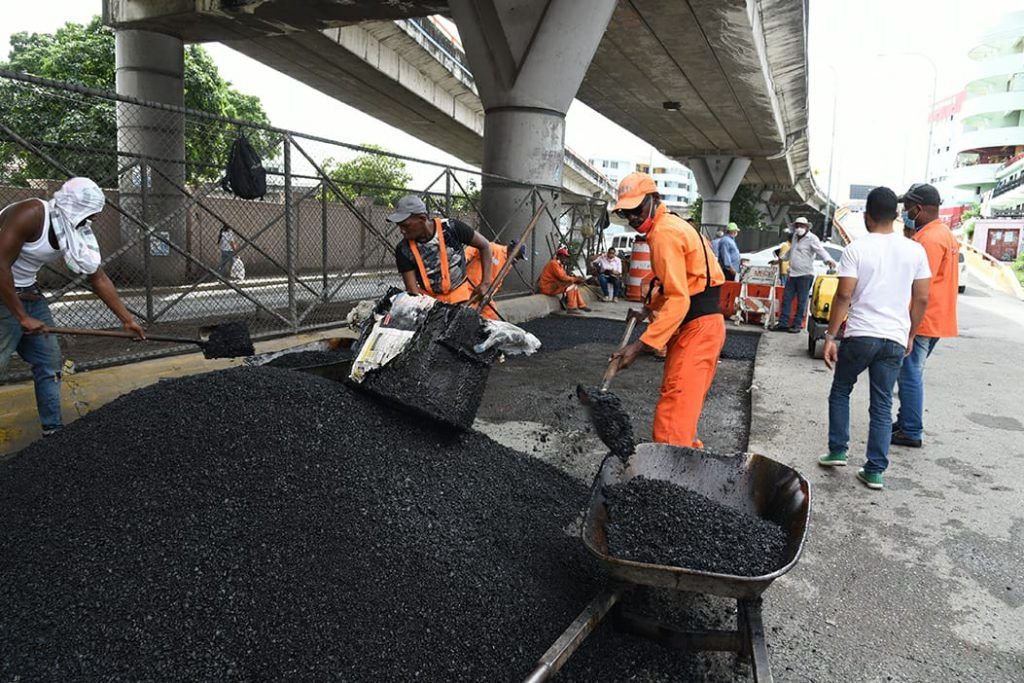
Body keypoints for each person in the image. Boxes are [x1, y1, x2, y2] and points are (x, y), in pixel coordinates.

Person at [0, 177, 145, 436]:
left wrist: (127, 320)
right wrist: (21, 316)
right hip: (5, 295)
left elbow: (98, 277)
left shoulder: (74, 229)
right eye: (91, 214)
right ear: (76, 207)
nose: (93, 220)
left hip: (29, 295)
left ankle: (53, 431)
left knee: (49, 361)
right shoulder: (32, 214)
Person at [818, 187, 931, 491]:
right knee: (882, 404)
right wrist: (910, 334)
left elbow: (843, 294)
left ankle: (838, 450)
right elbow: (921, 299)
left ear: (867, 216)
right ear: (897, 215)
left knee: (841, 390)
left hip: (860, 335)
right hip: (894, 337)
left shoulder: (857, 248)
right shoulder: (915, 250)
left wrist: (830, 336)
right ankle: (874, 470)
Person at [609, 172, 726, 449]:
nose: (634, 217)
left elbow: (679, 298)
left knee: (674, 414)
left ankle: (670, 479)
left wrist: (640, 346)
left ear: (653, 199)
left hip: (698, 327)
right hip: (699, 327)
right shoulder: (673, 225)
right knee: (680, 404)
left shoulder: (664, 233)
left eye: (637, 209)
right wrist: (647, 307)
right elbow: (679, 279)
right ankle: (686, 466)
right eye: (627, 213)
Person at [892, 183, 959, 448]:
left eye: (907, 208)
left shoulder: (928, 240)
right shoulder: (944, 233)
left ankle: (910, 429)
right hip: (936, 318)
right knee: (910, 373)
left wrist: (907, 325)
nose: (905, 213)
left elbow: (919, 286)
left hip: (922, 318)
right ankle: (906, 420)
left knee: (909, 374)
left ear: (918, 209)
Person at [389, 194, 492, 304]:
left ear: (422, 218)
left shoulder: (451, 228)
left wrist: (485, 283)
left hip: (460, 297)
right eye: (399, 226)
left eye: (406, 225)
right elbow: (412, 291)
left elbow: (485, 245)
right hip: (428, 303)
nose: (401, 231)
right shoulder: (403, 250)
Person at [772, 217, 837, 333]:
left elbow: (820, 250)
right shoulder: (795, 237)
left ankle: (797, 325)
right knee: (787, 299)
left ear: (807, 227)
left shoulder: (812, 238)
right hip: (792, 274)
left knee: (802, 301)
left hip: (805, 275)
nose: (799, 228)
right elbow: (790, 252)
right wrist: (779, 260)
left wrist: (829, 259)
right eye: (797, 226)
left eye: (802, 226)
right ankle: (783, 323)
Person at [464, 240, 527, 320]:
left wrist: (490, 294)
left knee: (491, 315)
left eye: (519, 258)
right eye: (517, 257)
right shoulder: (494, 248)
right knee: (468, 310)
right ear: (512, 250)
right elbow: (473, 248)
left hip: (484, 293)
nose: (517, 260)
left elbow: (498, 282)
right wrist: (465, 257)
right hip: (470, 287)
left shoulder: (508, 265)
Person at [539, 247, 590, 313]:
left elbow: (564, 277)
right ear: (560, 256)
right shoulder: (553, 264)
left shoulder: (559, 265)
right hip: (547, 287)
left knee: (575, 286)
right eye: (565, 257)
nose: (566, 259)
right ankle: (571, 308)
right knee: (571, 286)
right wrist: (575, 279)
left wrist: (575, 279)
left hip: (553, 285)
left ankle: (581, 305)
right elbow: (563, 278)